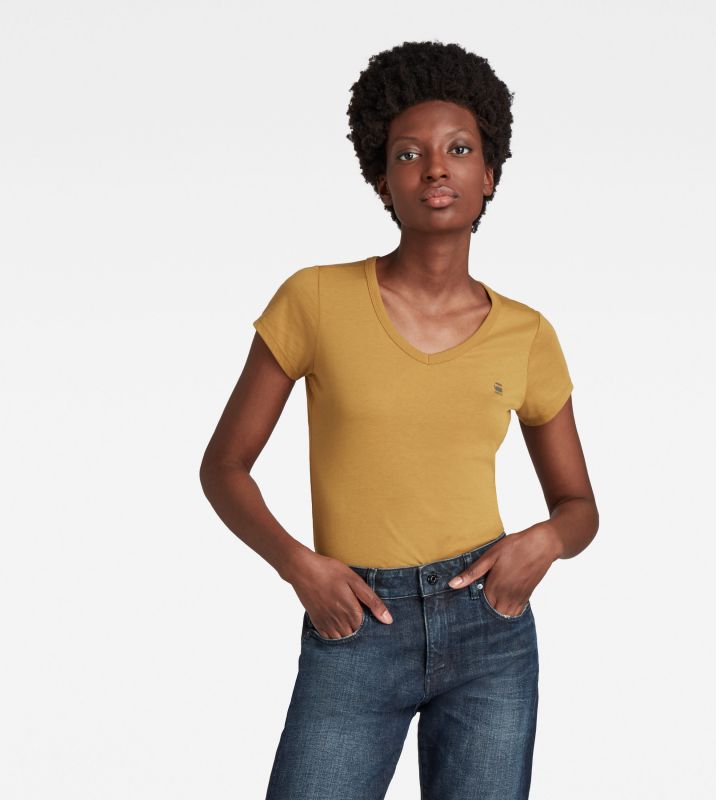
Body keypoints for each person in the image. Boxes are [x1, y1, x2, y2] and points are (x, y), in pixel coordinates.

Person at [200, 40, 598, 800]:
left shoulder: (528, 334)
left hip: (489, 628)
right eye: (410, 153)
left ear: (490, 174)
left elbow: (579, 506)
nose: (436, 168)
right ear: (382, 179)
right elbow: (223, 467)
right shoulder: (315, 299)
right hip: (355, 623)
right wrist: (300, 567)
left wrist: (545, 543)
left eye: (459, 149)